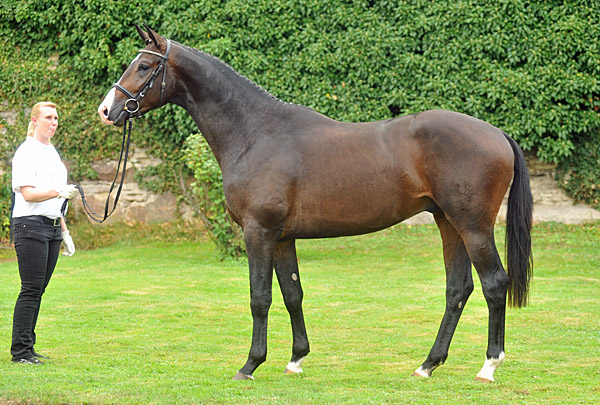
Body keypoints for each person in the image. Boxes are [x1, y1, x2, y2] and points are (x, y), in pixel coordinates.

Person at [10, 101, 79, 365]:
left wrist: (64, 230)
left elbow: (54, 196)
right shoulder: (27, 152)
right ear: (35, 120)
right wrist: (58, 192)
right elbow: (28, 193)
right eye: (49, 117)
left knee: (39, 290)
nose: (54, 122)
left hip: (51, 227)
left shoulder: (51, 151)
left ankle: (28, 346)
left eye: (56, 117)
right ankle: (21, 352)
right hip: (29, 225)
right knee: (30, 289)